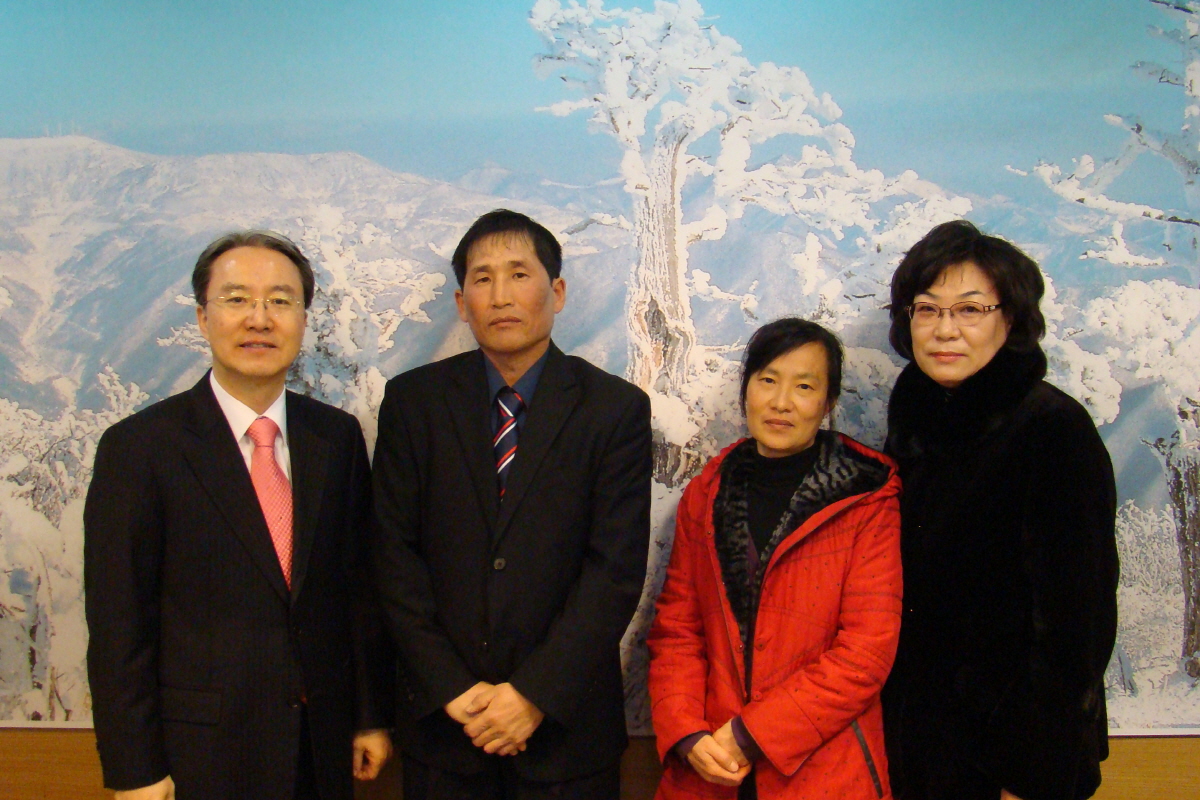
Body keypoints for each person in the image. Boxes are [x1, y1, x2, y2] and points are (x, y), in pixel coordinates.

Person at [84, 231, 394, 800]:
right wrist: (135, 770)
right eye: (236, 299)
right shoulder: (140, 448)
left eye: (280, 300)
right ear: (203, 318)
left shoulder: (335, 437)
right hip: (200, 753)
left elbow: (356, 589)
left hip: (320, 747)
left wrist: (367, 716)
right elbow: (117, 623)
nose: (260, 319)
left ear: (303, 319)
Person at [371, 208, 652, 799]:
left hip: (566, 733)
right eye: (482, 278)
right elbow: (392, 556)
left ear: (557, 292)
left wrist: (533, 695)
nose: (501, 295)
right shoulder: (413, 403)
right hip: (446, 730)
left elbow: (614, 571)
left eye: (519, 274)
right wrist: (452, 689)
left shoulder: (613, 409)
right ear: (461, 302)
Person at [881, 220, 1119, 800]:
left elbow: (1077, 620)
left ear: (1009, 319)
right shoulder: (918, 419)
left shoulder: (1051, 427)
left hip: (1010, 750)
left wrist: (1030, 768)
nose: (945, 330)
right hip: (921, 735)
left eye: (970, 309)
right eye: (927, 309)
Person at [648, 317, 903, 800]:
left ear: (828, 402)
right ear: (746, 389)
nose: (781, 402)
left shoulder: (866, 495)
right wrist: (686, 732)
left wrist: (752, 735)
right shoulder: (708, 491)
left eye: (804, 386)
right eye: (768, 380)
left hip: (823, 767)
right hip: (710, 760)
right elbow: (678, 629)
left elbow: (866, 652)